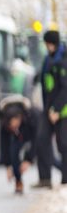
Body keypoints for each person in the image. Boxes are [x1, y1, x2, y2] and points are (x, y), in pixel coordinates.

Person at [34, 30, 67, 188]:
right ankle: (44, 178)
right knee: (41, 139)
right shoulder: (48, 59)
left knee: (64, 145)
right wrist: (49, 108)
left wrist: (56, 109)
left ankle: (65, 179)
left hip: (62, 110)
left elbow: (65, 88)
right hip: (49, 107)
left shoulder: (64, 59)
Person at [0, 96, 38, 195]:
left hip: (30, 133)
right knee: (13, 152)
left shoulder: (32, 117)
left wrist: (28, 160)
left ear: (19, 118)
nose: (14, 126)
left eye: (15, 124)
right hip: (17, 136)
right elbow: (4, 145)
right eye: (11, 125)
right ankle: (18, 181)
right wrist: (7, 166)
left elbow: (36, 141)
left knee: (47, 155)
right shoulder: (4, 124)